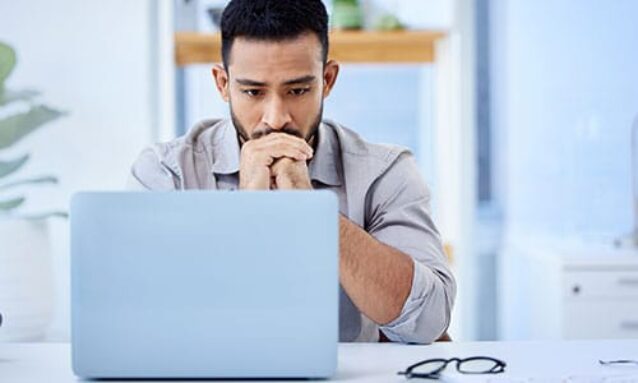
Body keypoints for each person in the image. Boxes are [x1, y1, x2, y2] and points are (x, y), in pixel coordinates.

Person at [129, 0, 455, 344]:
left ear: (327, 80)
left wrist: (314, 210)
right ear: (222, 83)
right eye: (253, 92)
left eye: (297, 90)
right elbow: (139, 320)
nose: (276, 117)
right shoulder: (167, 172)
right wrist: (245, 209)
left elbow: (428, 322)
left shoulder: (384, 173)